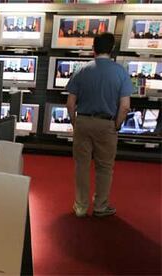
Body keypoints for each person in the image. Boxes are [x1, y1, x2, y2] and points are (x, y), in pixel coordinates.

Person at [66, 33, 134, 218]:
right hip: (107, 124)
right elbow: (125, 106)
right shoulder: (120, 72)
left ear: (93, 48)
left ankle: (80, 206)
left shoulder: (81, 70)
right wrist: (117, 125)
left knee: (81, 165)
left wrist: (75, 122)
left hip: (83, 122)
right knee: (104, 167)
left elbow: (71, 103)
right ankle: (100, 206)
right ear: (112, 49)